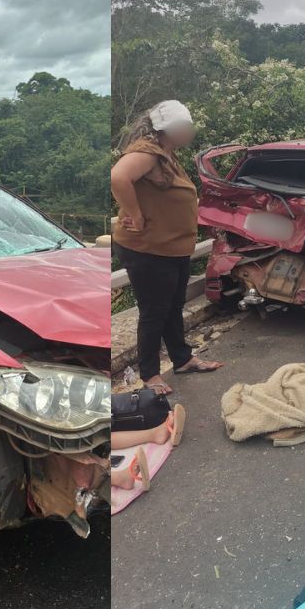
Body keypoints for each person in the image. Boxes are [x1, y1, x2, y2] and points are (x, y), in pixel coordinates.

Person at [111, 100, 222, 394]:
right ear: (169, 129)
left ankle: (182, 359)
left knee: (173, 306)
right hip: (149, 250)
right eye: (186, 127)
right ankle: (149, 374)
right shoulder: (146, 152)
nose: (190, 133)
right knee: (154, 311)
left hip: (172, 248)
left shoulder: (166, 154)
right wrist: (134, 213)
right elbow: (119, 177)